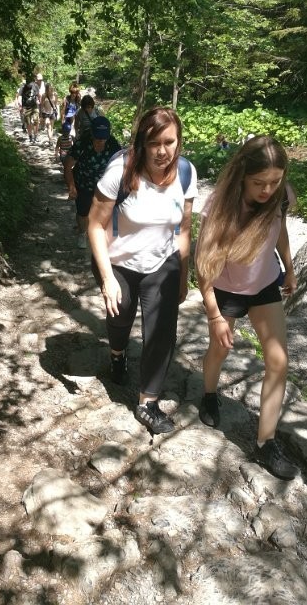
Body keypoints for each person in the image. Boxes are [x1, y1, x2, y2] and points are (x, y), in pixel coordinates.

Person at [195, 135, 299, 480]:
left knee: (278, 362)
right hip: (226, 289)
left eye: (275, 181)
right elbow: (203, 265)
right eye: (259, 183)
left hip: (264, 285)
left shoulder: (280, 196)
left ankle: (265, 442)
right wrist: (215, 316)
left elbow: (279, 228)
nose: (267, 189)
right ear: (242, 174)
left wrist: (289, 266)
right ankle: (210, 394)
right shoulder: (220, 205)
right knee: (219, 350)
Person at [88, 107, 198, 434]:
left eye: (169, 142)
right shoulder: (120, 172)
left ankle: (147, 403)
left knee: (162, 332)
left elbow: (184, 228)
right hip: (118, 261)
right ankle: (117, 353)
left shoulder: (186, 173)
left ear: (178, 142)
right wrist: (107, 279)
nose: (162, 151)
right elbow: (95, 225)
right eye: (154, 143)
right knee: (120, 317)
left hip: (162, 261)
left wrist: (183, 274)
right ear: (142, 143)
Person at [64, 116, 120, 249]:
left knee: (105, 212)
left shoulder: (113, 145)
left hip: (105, 185)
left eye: (103, 137)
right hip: (83, 182)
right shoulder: (82, 143)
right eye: (97, 137)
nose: (100, 140)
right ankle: (82, 233)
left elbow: (122, 166)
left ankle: (103, 236)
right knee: (83, 211)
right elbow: (67, 165)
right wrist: (71, 186)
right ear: (92, 133)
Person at [21, 73, 41, 143]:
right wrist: (22, 107)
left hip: (34, 106)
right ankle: (30, 137)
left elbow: (38, 95)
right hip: (26, 107)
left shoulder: (35, 86)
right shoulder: (24, 87)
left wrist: (39, 101)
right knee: (28, 123)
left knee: (36, 121)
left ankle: (35, 136)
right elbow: (21, 97)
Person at [40, 83, 58, 147]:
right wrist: (41, 113)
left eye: (52, 87)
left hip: (52, 112)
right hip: (46, 113)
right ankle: (50, 140)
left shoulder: (55, 94)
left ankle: (50, 140)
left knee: (51, 127)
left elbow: (56, 104)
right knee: (48, 126)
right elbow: (42, 105)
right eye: (49, 88)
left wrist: (57, 111)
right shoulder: (44, 95)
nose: (51, 89)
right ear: (47, 88)